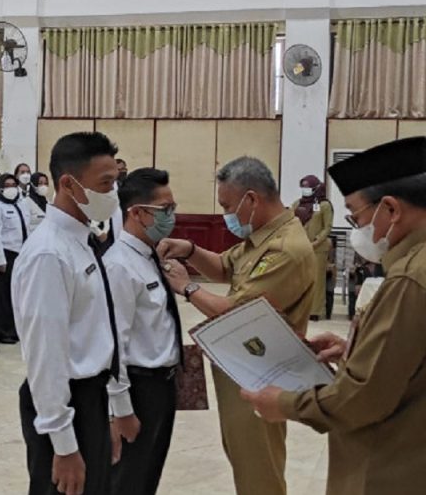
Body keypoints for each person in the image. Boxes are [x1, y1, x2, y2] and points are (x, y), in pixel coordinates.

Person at [242, 136, 426, 495]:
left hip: (392, 467)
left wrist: (283, 404)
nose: (357, 228)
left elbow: (363, 399)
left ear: (391, 209)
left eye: (356, 216)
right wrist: (356, 349)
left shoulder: (409, 279)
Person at [158, 156, 316, 495]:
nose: (226, 214)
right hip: (243, 370)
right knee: (246, 464)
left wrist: (187, 287)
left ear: (252, 199)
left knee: (259, 472)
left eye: (228, 206)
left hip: (262, 374)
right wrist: (190, 249)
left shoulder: (285, 249)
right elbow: (223, 267)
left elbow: (234, 311)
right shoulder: (263, 236)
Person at [13, 132, 121, 495]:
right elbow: (45, 354)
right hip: (66, 402)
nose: (113, 194)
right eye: (105, 184)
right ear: (68, 184)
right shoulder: (49, 253)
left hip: (90, 398)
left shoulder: (80, 240)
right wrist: (63, 444)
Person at [106, 168, 182, 494]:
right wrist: (121, 409)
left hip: (162, 386)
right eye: (164, 209)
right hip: (139, 389)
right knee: (128, 480)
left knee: (148, 477)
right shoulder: (119, 265)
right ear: (136, 213)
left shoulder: (149, 255)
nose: (171, 216)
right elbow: (113, 345)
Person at [0, 173, 30, 344]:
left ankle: (14, 329)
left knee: (17, 294)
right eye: (7, 185)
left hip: (21, 253)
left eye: (14, 185)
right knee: (3, 295)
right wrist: (0, 259)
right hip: (6, 253)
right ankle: (1, 331)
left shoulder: (21, 203)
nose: (11, 188)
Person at [292, 175, 334, 320]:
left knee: (317, 280)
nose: (305, 190)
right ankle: (300, 310)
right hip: (299, 248)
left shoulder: (324, 205)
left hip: (318, 249)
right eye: (303, 187)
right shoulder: (297, 204)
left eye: (308, 187)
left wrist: (316, 242)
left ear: (316, 188)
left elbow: (327, 227)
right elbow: (290, 222)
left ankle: (315, 311)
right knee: (299, 280)